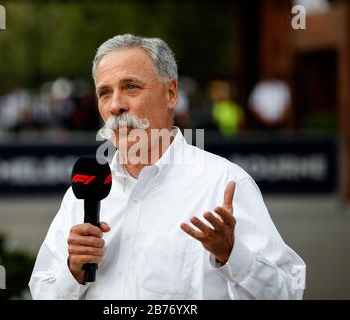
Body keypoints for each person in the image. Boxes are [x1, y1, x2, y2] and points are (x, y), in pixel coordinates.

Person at [29, 34, 305, 300]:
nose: (115, 105)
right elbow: (42, 288)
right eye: (105, 92)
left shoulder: (224, 184)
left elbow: (289, 291)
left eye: (131, 87)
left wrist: (233, 254)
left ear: (171, 93)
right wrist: (72, 271)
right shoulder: (85, 191)